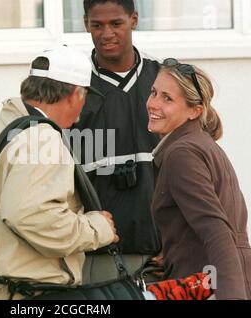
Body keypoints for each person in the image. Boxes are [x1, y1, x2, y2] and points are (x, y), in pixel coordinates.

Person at [0, 46, 119, 300]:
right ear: (75, 94)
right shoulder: (41, 137)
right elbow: (32, 215)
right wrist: (98, 228)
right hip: (19, 293)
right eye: (85, 98)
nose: (83, 109)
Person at [146, 58, 251, 300]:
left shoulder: (182, 153)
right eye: (154, 92)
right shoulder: (199, 144)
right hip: (228, 282)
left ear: (195, 111)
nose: (153, 103)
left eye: (167, 98)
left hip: (211, 289)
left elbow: (217, 230)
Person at [72, 0, 161, 283]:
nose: (106, 33)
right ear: (86, 24)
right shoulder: (73, 87)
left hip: (163, 252)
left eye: (116, 23)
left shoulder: (164, 81)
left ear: (133, 20)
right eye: (97, 25)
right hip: (97, 256)